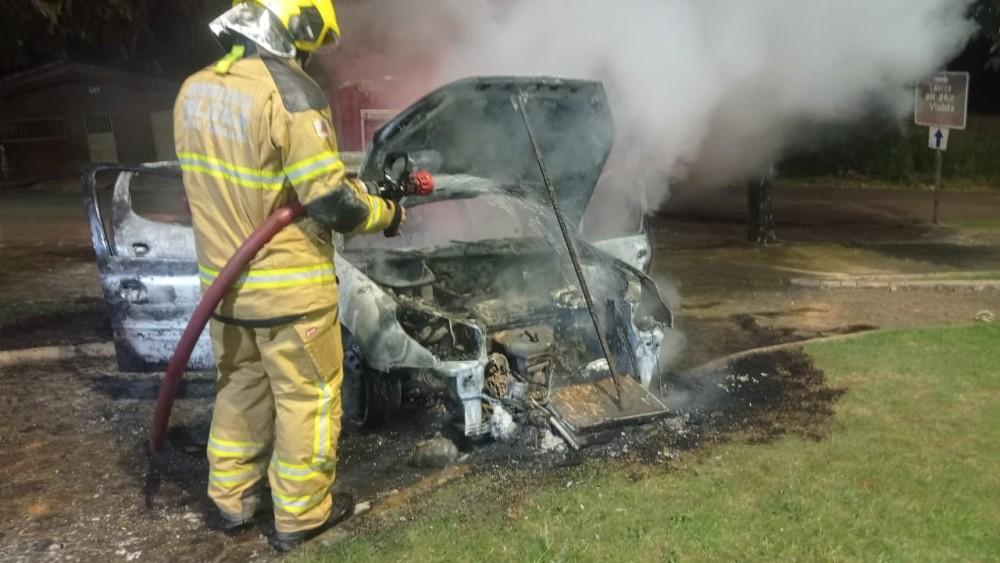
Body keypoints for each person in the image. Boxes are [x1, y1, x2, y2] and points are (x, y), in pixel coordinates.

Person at [173, 0, 404, 551]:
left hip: (225, 291)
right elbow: (330, 201)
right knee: (310, 400)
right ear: (291, 27)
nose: (306, 57)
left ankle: (230, 502)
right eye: (307, 44)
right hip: (290, 292)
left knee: (240, 390)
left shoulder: (194, 90)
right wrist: (386, 212)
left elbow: (257, 178)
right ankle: (301, 516)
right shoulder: (290, 94)